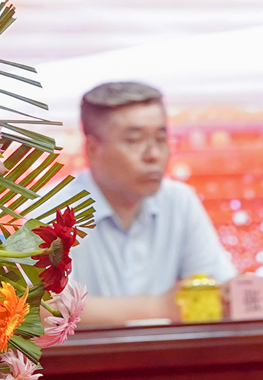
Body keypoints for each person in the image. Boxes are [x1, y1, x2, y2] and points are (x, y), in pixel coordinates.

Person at [70, 80, 236, 326]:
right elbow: (37, 309)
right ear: (93, 150)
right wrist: (159, 308)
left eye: (160, 139)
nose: (153, 155)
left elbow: (218, 287)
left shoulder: (179, 201)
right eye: (134, 141)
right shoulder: (54, 210)